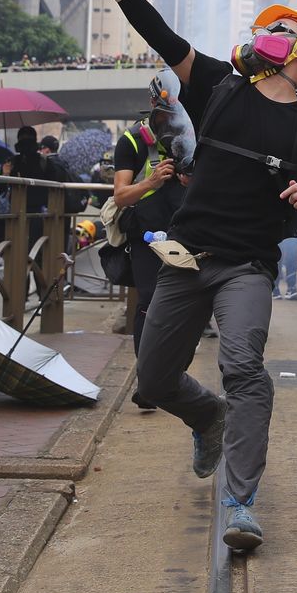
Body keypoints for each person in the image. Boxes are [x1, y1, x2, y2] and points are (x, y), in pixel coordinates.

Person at [74, 0, 297, 553]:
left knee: (244, 369)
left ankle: (240, 503)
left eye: (281, 31)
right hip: (185, 259)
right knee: (154, 381)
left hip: (247, 267)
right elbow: (163, 37)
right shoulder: (219, 85)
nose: (266, 34)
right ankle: (206, 415)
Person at [112, 75, 190, 372]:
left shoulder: (191, 139)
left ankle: (173, 374)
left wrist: (191, 180)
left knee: (183, 305)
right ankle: (146, 375)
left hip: (185, 232)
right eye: (165, 117)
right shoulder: (132, 140)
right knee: (149, 301)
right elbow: (120, 196)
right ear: (153, 106)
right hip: (145, 236)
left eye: (177, 117)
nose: (171, 124)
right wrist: (151, 181)